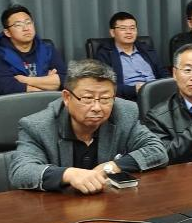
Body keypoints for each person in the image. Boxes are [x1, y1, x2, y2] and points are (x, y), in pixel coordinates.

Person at [9, 58, 167, 194]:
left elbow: (157, 150)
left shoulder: (124, 113)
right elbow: (21, 171)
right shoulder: (37, 126)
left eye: (105, 99)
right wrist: (69, 174)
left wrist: (111, 166)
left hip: (111, 205)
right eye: (87, 98)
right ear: (67, 97)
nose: (97, 107)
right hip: (59, 208)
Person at [0, 3, 68, 98]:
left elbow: (64, 80)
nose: (26, 28)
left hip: (49, 104)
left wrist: (24, 80)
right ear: (7, 32)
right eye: (18, 25)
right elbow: (8, 88)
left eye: (28, 23)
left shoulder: (48, 49)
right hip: (13, 104)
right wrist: (48, 82)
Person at [94, 11, 166, 99]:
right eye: (123, 28)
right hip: (130, 98)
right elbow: (104, 86)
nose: (129, 32)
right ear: (112, 32)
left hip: (157, 93)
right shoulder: (105, 54)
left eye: (132, 28)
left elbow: (164, 73)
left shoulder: (146, 49)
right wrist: (133, 90)